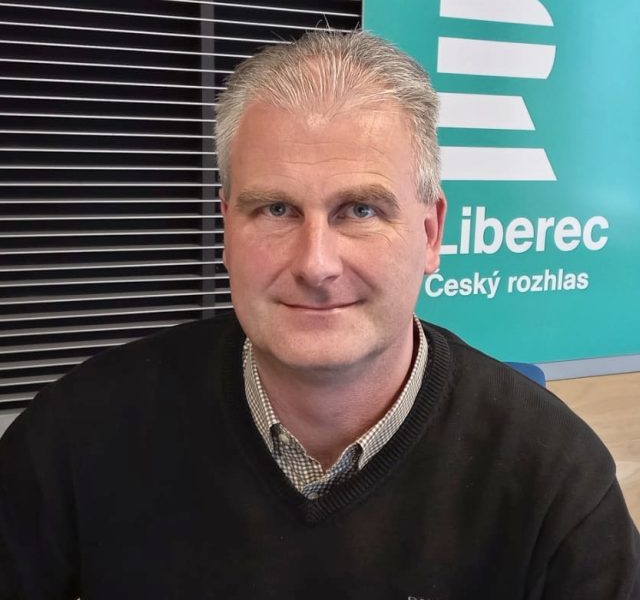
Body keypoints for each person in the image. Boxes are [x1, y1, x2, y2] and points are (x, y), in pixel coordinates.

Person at [0, 30, 638, 600]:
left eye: (360, 210)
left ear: (431, 232)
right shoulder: (78, 433)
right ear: (226, 228)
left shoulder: (554, 480)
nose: (316, 264)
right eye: (275, 210)